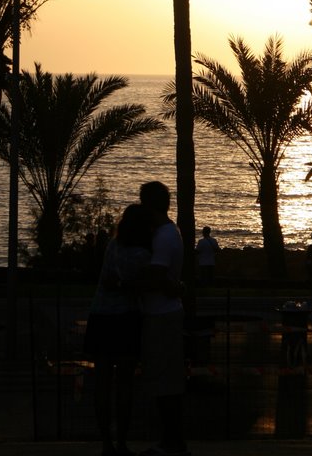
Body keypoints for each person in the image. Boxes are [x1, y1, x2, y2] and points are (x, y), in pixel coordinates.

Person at [84, 203, 154, 456]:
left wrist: (121, 284)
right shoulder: (143, 255)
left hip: (100, 316)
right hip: (125, 320)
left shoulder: (113, 245)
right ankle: (121, 442)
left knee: (102, 383)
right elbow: (138, 286)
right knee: (125, 384)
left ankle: (106, 443)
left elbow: (110, 281)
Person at [138, 180, 189, 456]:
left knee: (165, 382)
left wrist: (130, 281)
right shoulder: (168, 233)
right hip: (163, 313)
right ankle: (170, 441)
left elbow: (157, 277)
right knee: (164, 380)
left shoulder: (165, 236)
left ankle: (172, 442)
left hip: (162, 316)